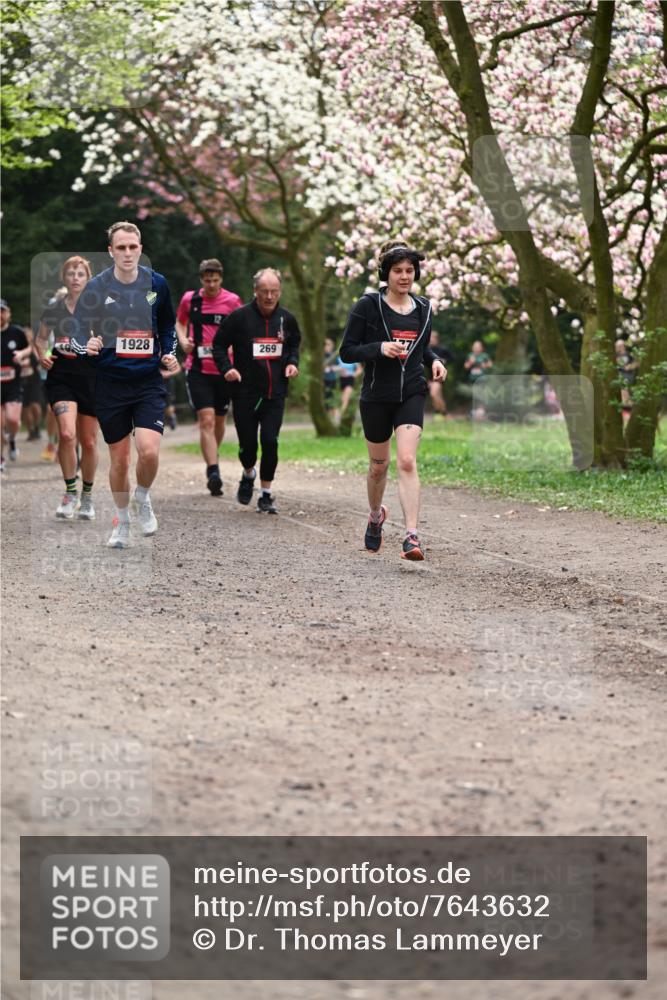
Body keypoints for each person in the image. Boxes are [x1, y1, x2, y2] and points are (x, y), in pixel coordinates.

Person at [73, 221, 178, 548]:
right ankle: (121, 521)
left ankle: (142, 497)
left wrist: (169, 355)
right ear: (111, 251)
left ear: (140, 248)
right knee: (120, 461)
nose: (128, 253)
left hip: (147, 382)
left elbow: (167, 328)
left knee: (148, 451)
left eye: (133, 247)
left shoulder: (157, 284)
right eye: (121, 247)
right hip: (111, 383)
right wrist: (85, 346)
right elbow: (78, 330)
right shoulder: (96, 287)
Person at [339, 241, 446, 560]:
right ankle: (375, 516)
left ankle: (411, 536)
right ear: (386, 273)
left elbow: (421, 348)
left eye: (409, 271)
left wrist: (435, 360)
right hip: (376, 396)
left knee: (407, 461)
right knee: (378, 466)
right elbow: (347, 351)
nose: (404, 276)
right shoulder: (368, 306)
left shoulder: (424, 308)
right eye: (397, 271)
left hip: (411, 391)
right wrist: (379, 348)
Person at [212, 267, 300, 514]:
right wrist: (227, 368)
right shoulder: (239, 318)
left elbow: (294, 345)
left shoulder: (287, 319)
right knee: (248, 446)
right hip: (245, 394)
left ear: (280, 291)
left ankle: (266, 494)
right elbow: (218, 345)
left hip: (275, 394)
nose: (270, 296)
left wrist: (293, 363)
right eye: (264, 292)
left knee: (270, 442)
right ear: (255, 291)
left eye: (274, 291)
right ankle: (248, 472)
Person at [35, 256, 100, 519]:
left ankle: (87, 496)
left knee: (90, 441)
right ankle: (70, 492)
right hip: (61, 377)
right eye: (71, 273)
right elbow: (40, 339)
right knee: (66, 434)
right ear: (64, 278)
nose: (75, 277)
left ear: (87, 278)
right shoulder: (53, 310)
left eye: (80, 274)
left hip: (90, 378)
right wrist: (41, 354)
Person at [176, 258, 242, 495]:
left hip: (224, 370)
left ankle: (213, 452)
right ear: (201, 280)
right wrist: (183, 341)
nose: (211, 285)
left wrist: (235, 346)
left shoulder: (232, 301)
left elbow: (241, 328)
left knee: (220, 421)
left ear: (221, 279)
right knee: (206, 420)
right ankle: (213, 470)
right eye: (207, 280)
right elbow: (180, 323)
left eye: (215, 280)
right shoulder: (190, 300)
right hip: (198, 369)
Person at [1, 300, 32, 470]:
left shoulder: (16, 333)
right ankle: (1, 459)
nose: (0, 315)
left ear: (8, 313)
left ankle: (12, 439)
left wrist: (21, 354)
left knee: (13, 420)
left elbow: (30, 348)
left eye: (2, 311)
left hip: (13, 384)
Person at [464, 339, 493, 420]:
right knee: (473, 395)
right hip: (472, 379)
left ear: (481, 348)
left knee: (481, 395)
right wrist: (470, 362)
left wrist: (484, 365)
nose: (476, 348)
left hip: (482, 379)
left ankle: (481, 412)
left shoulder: (484, 356)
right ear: (472, 348)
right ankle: (474, 413)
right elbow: (466, 366)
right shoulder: (470, 355)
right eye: (475, 346)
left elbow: (490, 364)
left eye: (478, 346)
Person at [427, 330, 452, 417]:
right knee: (438, 396)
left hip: (440, 376)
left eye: (433, 338)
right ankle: (445, 414)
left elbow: (452, 358)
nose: (431, 340)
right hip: (431, 377)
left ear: (437, 339)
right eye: (430, 338)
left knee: (433, 394)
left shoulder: (442, 349)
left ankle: (438, 412)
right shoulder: (427, 350)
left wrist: (444, 360)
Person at [615, 337, 638, 412]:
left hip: (628, 375)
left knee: (624, 389)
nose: (616, 348)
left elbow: (637, 363)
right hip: (620, 375)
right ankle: (627, 407)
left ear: (622, 346)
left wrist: (630, 366)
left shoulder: (629, 354)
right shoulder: (615, 356)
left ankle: (630, 406)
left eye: (617, 346)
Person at [323, 337, 340, 422]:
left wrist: (331, 368)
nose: (326, 347)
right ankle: (328, 419)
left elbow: (339, 366)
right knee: (325, 400)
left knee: (331, 399)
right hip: (323, 381)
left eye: (328, 345)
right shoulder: (321, 355)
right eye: (325, 345)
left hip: (331, 380)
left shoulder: (333, 356)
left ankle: (336, 419)